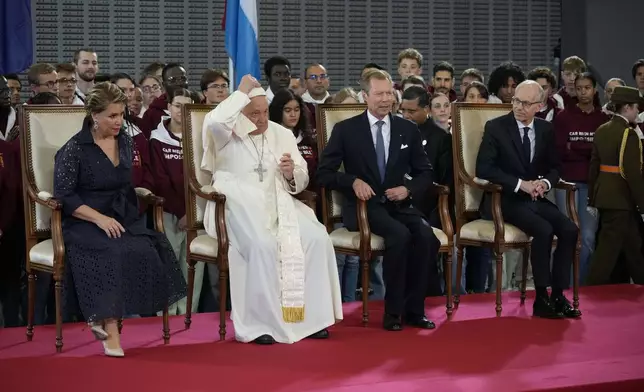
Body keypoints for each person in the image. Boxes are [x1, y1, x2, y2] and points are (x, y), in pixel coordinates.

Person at [201, 74, 342, 345]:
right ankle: (259, 325)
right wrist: (241, 91)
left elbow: (300, 175)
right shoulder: (225, 133)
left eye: (265, 112)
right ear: (240, 111)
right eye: (254, 114)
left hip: (281, 203)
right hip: (236, 203)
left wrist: (291, 175)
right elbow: (216, 119)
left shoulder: (281, 133)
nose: (262, 119)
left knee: (316, 238)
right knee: (261, 244)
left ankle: (310, 320)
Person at [53, 82, 187, 357]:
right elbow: (64, 196)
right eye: (112, 116)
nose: (119, 121)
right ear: (94, 116)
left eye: (121, 114)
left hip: (119, 215)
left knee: (148, 247)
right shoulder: (75, 148)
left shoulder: (125, 141)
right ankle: (110, 329)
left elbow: (126, 184)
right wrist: (99, 219)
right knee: (110, 250)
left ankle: (100, 316)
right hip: (83, 220)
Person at [317, 69, 439, 331]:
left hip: (399, 203)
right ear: (365, 95)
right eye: (379, 94)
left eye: (389, 93)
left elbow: (425, 172)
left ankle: (415, 310)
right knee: (399, 236)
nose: (386, 99)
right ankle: (393, 313)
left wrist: (408, 189)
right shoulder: (346, 130)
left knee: (427, 236)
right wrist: (352, 181)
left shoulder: (407, 129)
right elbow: (323, 173)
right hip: (364, 207)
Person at [475, 80, 581, 319]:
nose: (519, 107)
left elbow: (555, 167)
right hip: (505, 200)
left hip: (535, 198)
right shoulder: (496, 127)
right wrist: (521, 185)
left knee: (569, 229)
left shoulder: (545, 130)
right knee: (543, 230)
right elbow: (484, 168)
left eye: (525, 103)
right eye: (516, 101)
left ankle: (557, 295)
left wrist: (544, 183)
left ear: (539, 106)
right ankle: (541, 298)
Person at [586, 86, 644, 285]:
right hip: (620, 198)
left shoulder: (602, 129)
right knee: (607, 251)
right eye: (636, 107)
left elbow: (593, 167)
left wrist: (592, 198)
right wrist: (643, 205)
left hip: (606, 196)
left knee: (634, 245)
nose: (638, 112)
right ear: (627, 107)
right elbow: (633, 174)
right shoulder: (629, 134)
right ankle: (591, 288)